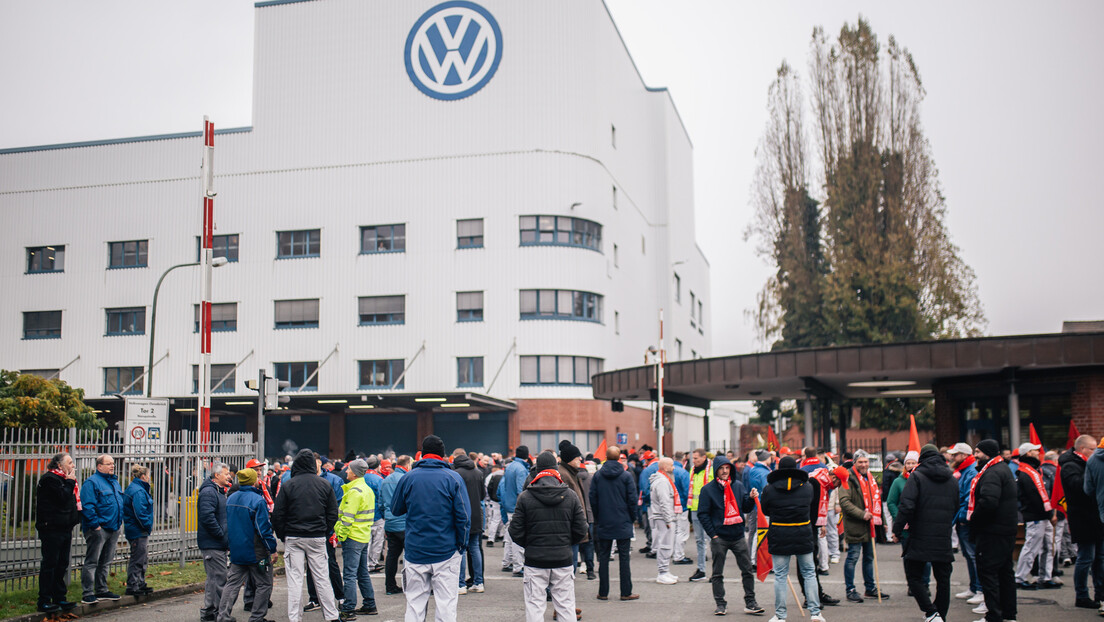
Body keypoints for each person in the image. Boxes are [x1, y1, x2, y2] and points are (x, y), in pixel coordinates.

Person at [391, 435, 471, 622]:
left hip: (416, 550)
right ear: (443, 455)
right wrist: (461, 544)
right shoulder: (453, 478)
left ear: (422, 454)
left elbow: (396, 509)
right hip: (446, 550)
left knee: (414, 605)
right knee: (446, 606)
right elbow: (464, 517)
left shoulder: (408, 478)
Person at [509, 451, 588, 622]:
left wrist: (529, 545)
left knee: (535, 606)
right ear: (555, 469)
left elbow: (515, 530)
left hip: (535, 560)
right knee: (565, 605)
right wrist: (567, 543)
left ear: (538, 471)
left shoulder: (525, 497)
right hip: (563, 558)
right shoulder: (570, 496)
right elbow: (582, 528)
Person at [272, 448, 340, 622]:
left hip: (293, 536)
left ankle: (294, 618)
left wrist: (283, 535)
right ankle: (332, 616)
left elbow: (278, 514)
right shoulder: (324, 484)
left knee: (295, 580)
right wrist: (325, 531)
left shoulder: (288, 485)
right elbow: (333, 512)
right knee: (322, 578)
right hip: (317, 536)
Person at [892, 444, 958, 622]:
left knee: (914, 576)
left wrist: (897, 529)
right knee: (943, 578)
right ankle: (940, 614)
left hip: (920, 533)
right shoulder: (951, 479)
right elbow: (956, 505)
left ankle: (930, 611)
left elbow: (906, 506)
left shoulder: (917, 477)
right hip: (943, 534)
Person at [697, 455, 764, 616]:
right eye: (721, 468)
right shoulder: (708, 490)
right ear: (716, 470)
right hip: (719, 537)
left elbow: (745, 509)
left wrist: (751, 498)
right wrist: (713, 535)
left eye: (727, 468)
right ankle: (720, 604)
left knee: (747, 571)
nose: (725, 471)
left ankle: (750, 602)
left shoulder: (738, 486)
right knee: (717, 573)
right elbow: (703, 514)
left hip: (738, 536)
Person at [760, 455, 824, 622]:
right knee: (809, 573)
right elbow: (812, 507)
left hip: (779, 533)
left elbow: (765, 510)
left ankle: (780, 616)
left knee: (780, 576)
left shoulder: (769, 489)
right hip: (803, 532)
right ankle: (815, 613)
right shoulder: (808, 487)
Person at [217, 468, 277, 622]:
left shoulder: (231, 498)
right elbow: (263, 529)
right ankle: (257, 617)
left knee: (232, 583)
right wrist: (272, 548)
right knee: (264, 583)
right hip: (256, 550)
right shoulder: (257, 500)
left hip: (237, 549)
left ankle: (223, 615)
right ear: (253, 481)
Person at [969, 439, 1018, 622]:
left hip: (992, 531)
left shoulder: (992, 473)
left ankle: (994, 616)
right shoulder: (1002, 469)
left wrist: (974, 520)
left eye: (978, 452)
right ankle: (1008, 614)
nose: (975, 455)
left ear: (987, 453)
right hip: (1004, 530)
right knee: (1005, 573)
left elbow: (988, 502)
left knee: (989, 574)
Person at [589, 445, 639, 601]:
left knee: (603, 557)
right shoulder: (626, 476)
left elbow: (593, 498)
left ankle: (603, 592)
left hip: (604, 520)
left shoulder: (598, 476)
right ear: (619, 458)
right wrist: (632, 518)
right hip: (622, 520)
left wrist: (598, 516)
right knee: (624, 558)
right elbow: (632, 499)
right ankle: (626, 592)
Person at [839, 450, 889, 602]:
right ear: (854, 463)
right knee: (853, 557)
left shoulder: (870, 478)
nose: (864, 464)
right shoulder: (848, 478)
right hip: (855, 525)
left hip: (871, 525)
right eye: (860, 462)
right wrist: (862, 514)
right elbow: (844, 502)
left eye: (865, 462)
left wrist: (884, 522)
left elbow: (876, 501)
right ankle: (850, 589)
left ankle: (870, 587)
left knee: (869, 557)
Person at [1062, 434, 1104, 609]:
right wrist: (1091, 476)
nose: (1095, 452)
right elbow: (1079, 488)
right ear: (1082, 449)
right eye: (1092, 449)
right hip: (1082, 517)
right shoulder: (1070, 465)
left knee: (1100, 558)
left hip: (1094, 516)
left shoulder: (1088, 462)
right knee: (1086, 558)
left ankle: (1100, 595)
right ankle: (1081, 595)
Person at [36, 452, 81, 614]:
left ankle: (59, 597)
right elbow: (61, 498)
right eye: (69, 463)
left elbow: (70, 503)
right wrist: (69, 482)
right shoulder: (50, 479)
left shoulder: (64, 480)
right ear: (59, 465)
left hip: (64, 527)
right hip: (51, 528)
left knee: (62, 563)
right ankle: (44, 600)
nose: (73, 466)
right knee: (50, 564)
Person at [336, 459, 378, 620]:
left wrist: (340, 534)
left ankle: (348, 609)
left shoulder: (354, 492)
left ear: (354, 473)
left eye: (348, 470)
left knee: (349, 575)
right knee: (362, 572)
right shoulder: (366, 490)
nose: (346, 471)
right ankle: (369, 604)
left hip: (352, 537)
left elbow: (347, 518)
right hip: (363, 535)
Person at [80, 454, 124, 603]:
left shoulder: (114, 482)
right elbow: (88, 506)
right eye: (108, 464)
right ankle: (87, 593)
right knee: (92, 561)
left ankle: (102, 589)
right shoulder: (92, 483)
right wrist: (96, 526)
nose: (112, 466)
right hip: (99, 529)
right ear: (99, 466)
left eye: (113, 463)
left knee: (105, 561)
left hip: (113, 528)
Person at [1013, 441, 1057, 589]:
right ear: (1028, 454)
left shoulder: (1032, 471)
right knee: (1031, 547)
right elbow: (1034, 496)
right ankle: (1020, 578)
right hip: (1036, 516)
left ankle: (1046, 576)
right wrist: (1049, 513)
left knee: (1048, 547)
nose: (1038, 453)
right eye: (1035, 451)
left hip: (1042, 514)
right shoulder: (1027, 473)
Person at [948, 442, 985, 605]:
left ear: (963, 456)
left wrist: (961, 518)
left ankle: (979, 589)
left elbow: (967, 498)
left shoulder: (969, 472)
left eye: (955, 455)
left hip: (965, 520)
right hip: (963, 519)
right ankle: (974, 587)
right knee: (969, 555)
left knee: (972, 555)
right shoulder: (964, 471)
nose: (952, 457)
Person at [199, 462, 232, 622]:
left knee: (214, 579)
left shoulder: (217, 491)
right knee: (219, 578)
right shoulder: (209, 492)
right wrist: (220, 534)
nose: (229, 476)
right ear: (217, 475)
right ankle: (219, 614)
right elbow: (207, 517)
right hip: (213, 543)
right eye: (226, 474)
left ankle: (210, 612)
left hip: (216, 542)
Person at [452, 448, 486, 594]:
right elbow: (483, 495)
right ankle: (478, 582)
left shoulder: (456, 474)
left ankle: (460, 584)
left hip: (462, 515)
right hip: (477, 515)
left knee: (461, 550)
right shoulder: (478, 473)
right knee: (475, 548)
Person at [556, 440, 592, 579]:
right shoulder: (565, 475)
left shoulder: (571, 473)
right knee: (569, 564)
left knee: (571, 564)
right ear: (571, 459)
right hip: (570, 526)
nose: (580, 459)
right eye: (578, 457)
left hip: (573, 525)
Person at [380, 454, 411, 595]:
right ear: (407, 465)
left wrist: (386, 516)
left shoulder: (386, 480)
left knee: (392, 556)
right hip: (404, 523)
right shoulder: (406, 479)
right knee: (409, 556)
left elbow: (380, 503)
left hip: (390, 523)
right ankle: (409, 585)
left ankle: (390, 586)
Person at [122, 464, 154, 597]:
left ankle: (139, 583)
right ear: (143, 477)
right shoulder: (139, 491)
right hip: (138, 530)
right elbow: (140, 512)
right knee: (138, 558)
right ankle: (133, 585)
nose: (150, 478)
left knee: (141, 557)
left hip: (136, 529)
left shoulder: (136, 489)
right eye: (148, 475)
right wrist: (147, 526)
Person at [648, 457, 681, 584]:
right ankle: (662, 572)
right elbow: (664, 502)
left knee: (667, 544)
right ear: (665, 467)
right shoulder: (662, 482)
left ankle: (665, 571)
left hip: (664, 517)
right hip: (664, 517)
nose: (673, 468)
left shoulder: (664, 480)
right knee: (665, 545)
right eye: (671, 465)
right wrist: (669, 519)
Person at [500, 446, 531, 575]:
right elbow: (521, 491)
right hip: (515, 507)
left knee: (509, 535)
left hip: (508, 504)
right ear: (527, 455)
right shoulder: (521, 469)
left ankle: (506, 562)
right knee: (518, 536)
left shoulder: (510, 466)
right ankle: (518, 567)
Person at [688, 448, 713, 582]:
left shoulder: (712, 470)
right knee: (699, 540)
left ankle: (716, 571)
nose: (694, 460)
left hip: (709, 510)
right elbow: (691, 490)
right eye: (693, 458)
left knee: (712, 539)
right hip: (695, 509)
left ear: (704, 458)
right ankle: (701, 569)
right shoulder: (693, 470)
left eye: (696, 458)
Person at [362, 456, 386, 572]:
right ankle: (373, 563)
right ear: (377, 466)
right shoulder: (378, 479)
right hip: (376, 515)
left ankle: (364, 563)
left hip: (363, 515)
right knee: (377, 540)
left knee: (366, 540)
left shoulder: (360, 478)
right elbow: (381, 498)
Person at [670, 452, 693, 566]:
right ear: (684, 459)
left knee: (673, 530)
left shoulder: (669, 471)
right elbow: (687, 490)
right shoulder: (683, 472)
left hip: (670, 505)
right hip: (682, 505)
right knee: (682, 531)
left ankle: (673, 552)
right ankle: (679, 555)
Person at [484, 462, 505, 546]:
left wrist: (491, 498)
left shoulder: (492, 476)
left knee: (494, 520)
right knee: (505, 521)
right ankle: (504, 539)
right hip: (504, 501)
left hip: (495, 500)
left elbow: (488, 488)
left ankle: (491, 539)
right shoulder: (505, 476)